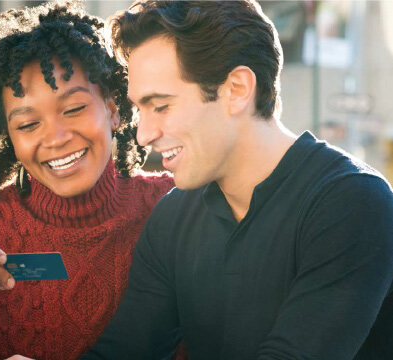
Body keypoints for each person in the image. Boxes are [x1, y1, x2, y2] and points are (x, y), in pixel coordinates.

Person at [63, 1, 392, 359]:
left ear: (236, 89)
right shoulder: (173, 218)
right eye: (140, 110)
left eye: (160, 106)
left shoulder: (353, 203)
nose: (143, 135)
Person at [0, 2, 187, 359]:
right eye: (27, 124)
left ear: (113, 109)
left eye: (73, 109)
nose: (56, 138)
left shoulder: (181, 208)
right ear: (9, 135)